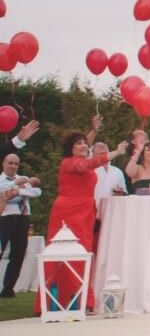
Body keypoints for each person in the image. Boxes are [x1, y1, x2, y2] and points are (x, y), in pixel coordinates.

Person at [39, 122, 126, 314]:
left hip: (85, 211)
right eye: (78, 144)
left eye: (84, 143)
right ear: (70, 148)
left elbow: (86, 154)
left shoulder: (80, 159)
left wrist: (93, 131)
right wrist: (115, 153)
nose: (84, 146)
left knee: (83, 253)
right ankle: (61, 300)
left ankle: (81, 300)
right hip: (67, 213)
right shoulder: (69, 163)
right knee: (66, 254)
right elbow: (88, 163)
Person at [0, 152, 41, 298]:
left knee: (18, 255)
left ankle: (8, 288)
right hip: (4, 218)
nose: (13, 166)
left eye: (16, 164)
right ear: (3, 164)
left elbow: (37, 191)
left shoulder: (23, 179)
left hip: (22, 219)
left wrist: (19, 190)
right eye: (10, 163)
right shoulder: (4, 180)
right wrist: (15, 185)